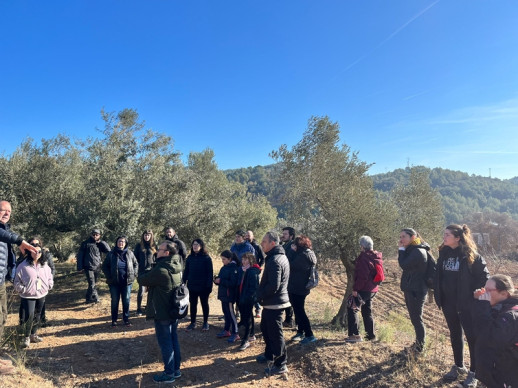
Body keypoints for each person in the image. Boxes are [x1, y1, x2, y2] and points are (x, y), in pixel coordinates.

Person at [434, 224, 489, 387]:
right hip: (448, 303)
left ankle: (474, 373)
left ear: (458, 238)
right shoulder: (443, 253)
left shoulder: (472, 256)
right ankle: (459, 366)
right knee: (455, 335)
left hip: (467, 304)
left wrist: (475, 293)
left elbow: (484, 277)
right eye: (444, 234)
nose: (444, 237)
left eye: (447, 235)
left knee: (472, 338)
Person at [138, 241, 183, 384]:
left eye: (160, 249)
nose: (157, 251)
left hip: (162, 311)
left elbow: (142, 279)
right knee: (173, 339)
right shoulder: (176, 266)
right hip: (172, 310)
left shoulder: (161, 270)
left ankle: (169, 373)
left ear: (167, 253)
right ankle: (175, 370)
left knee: (165, 343)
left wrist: (148, 266)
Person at [0, 200, 36, 374]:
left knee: (2, 316)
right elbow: (7, 236)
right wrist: (21, 241)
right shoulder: (2, 232)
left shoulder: (5, 230)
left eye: (9, 211)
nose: (6, 213)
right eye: (2, 210)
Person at [472, 274, 518, 388]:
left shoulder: (509, 316)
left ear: (504, 294)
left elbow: (488, 338)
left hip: (505, 377)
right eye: (484, 289)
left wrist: (483, 305)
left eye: (488, 290)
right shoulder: (498, 308)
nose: (484, 293)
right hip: (495, 374)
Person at [256, 231, 290, 376]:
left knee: (276, 334)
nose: (261, 243)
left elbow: (273, 286)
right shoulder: (277, 257)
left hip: (275, 303)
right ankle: (269, 355)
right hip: (272, 302)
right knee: (266, 328)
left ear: (273, 244)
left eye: (264, 241)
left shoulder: (275, 260)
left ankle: (281, 364)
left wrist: (259, 295)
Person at [14, 243, 53, 348]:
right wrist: (23, 289)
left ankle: (33, 334)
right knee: (29, 315)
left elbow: (50, 276)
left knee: (38, 315)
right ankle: (26, 337)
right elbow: (17, 280)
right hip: (28, 295)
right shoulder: (23, 265)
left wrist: (49, 285)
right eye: (34, 251)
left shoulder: (45, 264)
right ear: (30, 252)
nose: (37, 253)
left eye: (39, 251)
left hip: (41, 294)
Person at [398, 228, 430, 353]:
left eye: (403, 236)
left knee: (417, 318)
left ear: (413, 237)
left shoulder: (417, 251)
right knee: (415, 318)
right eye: (400, 237)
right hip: (412, 288)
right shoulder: (413, 250)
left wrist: (401, 250)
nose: (401, 239)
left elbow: (404, 264)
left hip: (416, 290)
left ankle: (419, 347)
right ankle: (418, 344)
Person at [346, 236, 381, 343]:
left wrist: (356, 289)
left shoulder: (364, 258)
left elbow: (363, 276)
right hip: (373, 289)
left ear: (362, 246)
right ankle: (370, 336)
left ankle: (354, 336)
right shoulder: (375, 256)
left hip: (364, 288)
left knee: (352, 307)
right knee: (367, 311)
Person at [17, 236, 56, 327]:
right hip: (28, 288)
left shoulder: (45, 254)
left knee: (40, 305)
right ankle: (23, 323)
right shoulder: (23, 256)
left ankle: (40, 321)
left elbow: (51, 268)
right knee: (25, 305)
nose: (35, 246)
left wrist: (49, 283)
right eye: (32, 244)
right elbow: (18, 270)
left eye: (37, 244)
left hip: (41, 286)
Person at [102, 235, 138, 327]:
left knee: (126, 301)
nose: (121, 243)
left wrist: (133, 275)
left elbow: (136, 264)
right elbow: (105, 266)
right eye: (119, 241)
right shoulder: (111, 254)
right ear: (116, 243)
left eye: (122, 242)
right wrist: (109, 277)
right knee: (115, 301)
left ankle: (126, 319)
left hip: (127, 282)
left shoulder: (130, 253)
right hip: (114, 283)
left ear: (125, 243)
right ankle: (114, 320)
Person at [288, 235, 317, 344]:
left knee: (300, 311)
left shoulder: (303, 255)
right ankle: (300, 332)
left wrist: (291, 251)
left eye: (295, 244)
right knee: (297, 310)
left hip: (297, 287)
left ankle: (310, 335)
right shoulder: (307, 253)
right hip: (300, 287)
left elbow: (289, 264)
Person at [183, 238, 213, 332]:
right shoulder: (190, 258)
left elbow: (210, 273)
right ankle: (192, 323)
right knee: (193, 304)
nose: (195, 246)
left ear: (201, 246)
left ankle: (205, 323)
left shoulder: (207, 258)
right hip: (192, 285)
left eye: (197, 244)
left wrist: (209, 286)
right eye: (193, 244)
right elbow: (186, 271)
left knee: (204, 304)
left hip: (203, 286)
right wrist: (183, 281)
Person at [76, 228, 110, 303]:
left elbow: (108, 250)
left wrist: (101, 242)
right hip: (88, 267)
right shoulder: (85, 243)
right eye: (93, 234)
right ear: (91, 235)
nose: (95, 236)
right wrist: (80, 267)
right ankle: (96, 298)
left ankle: (88, 298)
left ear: (99, 236)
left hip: (97, 267)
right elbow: (80, 255)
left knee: (93, 283)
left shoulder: (100, 244)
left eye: (97, 235)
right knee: (92, 283)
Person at [214, 250, 240, 343]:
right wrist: (216, 280)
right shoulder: (224, 267)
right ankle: (226, 330)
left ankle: (236, 333)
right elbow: (222, 280)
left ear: (229, 259)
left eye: (224, 259)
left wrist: (221, 281)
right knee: (226, 313)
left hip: (229, 295)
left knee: (231, 314)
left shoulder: (234, 268)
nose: (222, 261)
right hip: (223, 294)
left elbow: (233, 283)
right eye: (222, 259)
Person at [237, 252, 261, 350]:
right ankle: (251, 335)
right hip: (241, 297)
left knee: (247, 319)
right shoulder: (242, 270)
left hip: (247, 299)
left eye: (246, 259)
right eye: (242, 259)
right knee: (248, 316)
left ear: (251, 260)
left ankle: (245, 340)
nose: (244, 261)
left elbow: (254, 288)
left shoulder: (252, 271)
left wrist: (248, 298)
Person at [133, 229, 157, 316]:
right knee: (141, 290)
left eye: (148, 235)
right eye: (145, 235)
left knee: (151, 291)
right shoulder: (139, 246)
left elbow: (156, 259)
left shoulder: (154, 246)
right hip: (142, 271)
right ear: (143, 236)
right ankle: (139, 309)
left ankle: (148, 307)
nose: (146, 237)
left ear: (151, 236)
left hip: (151, 271)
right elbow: (135, 259)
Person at [245, 230, 265, 318]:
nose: (247, 237)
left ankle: (257, 309)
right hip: (245, 271)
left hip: (254, 272)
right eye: (246, 235)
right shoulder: (243, 246)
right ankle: (240, 311)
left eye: (249, 235)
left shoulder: (257, 246)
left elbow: (263, 259)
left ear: (253, 236)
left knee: (255, 290)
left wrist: (258, 267)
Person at [280, 227, 296, 328]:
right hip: (285, 275)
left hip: (290, 277)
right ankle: (287, 319)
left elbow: (287, 258)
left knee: (289, 298)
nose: (283, 235)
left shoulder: (292, 246)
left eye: (285, 234)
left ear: (291, 236)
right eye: (283, 233)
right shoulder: (286, 244)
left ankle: (289, 320)